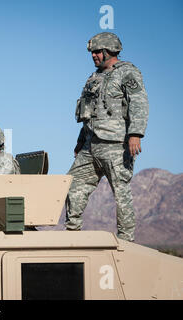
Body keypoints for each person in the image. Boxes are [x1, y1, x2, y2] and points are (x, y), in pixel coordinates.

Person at [65, 32, 149, 242]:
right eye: (92, 52)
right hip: (90, 145)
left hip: (116, 144)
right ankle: (72, 234)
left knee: (121, 192)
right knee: (73, 186)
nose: (93, 55)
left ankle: (126, 241)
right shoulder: (93, 78)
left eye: (97, 52)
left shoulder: (127, 73)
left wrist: (135, 134)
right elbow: (89, 113)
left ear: (108, 51)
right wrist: (80, 142)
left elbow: (138, 103)